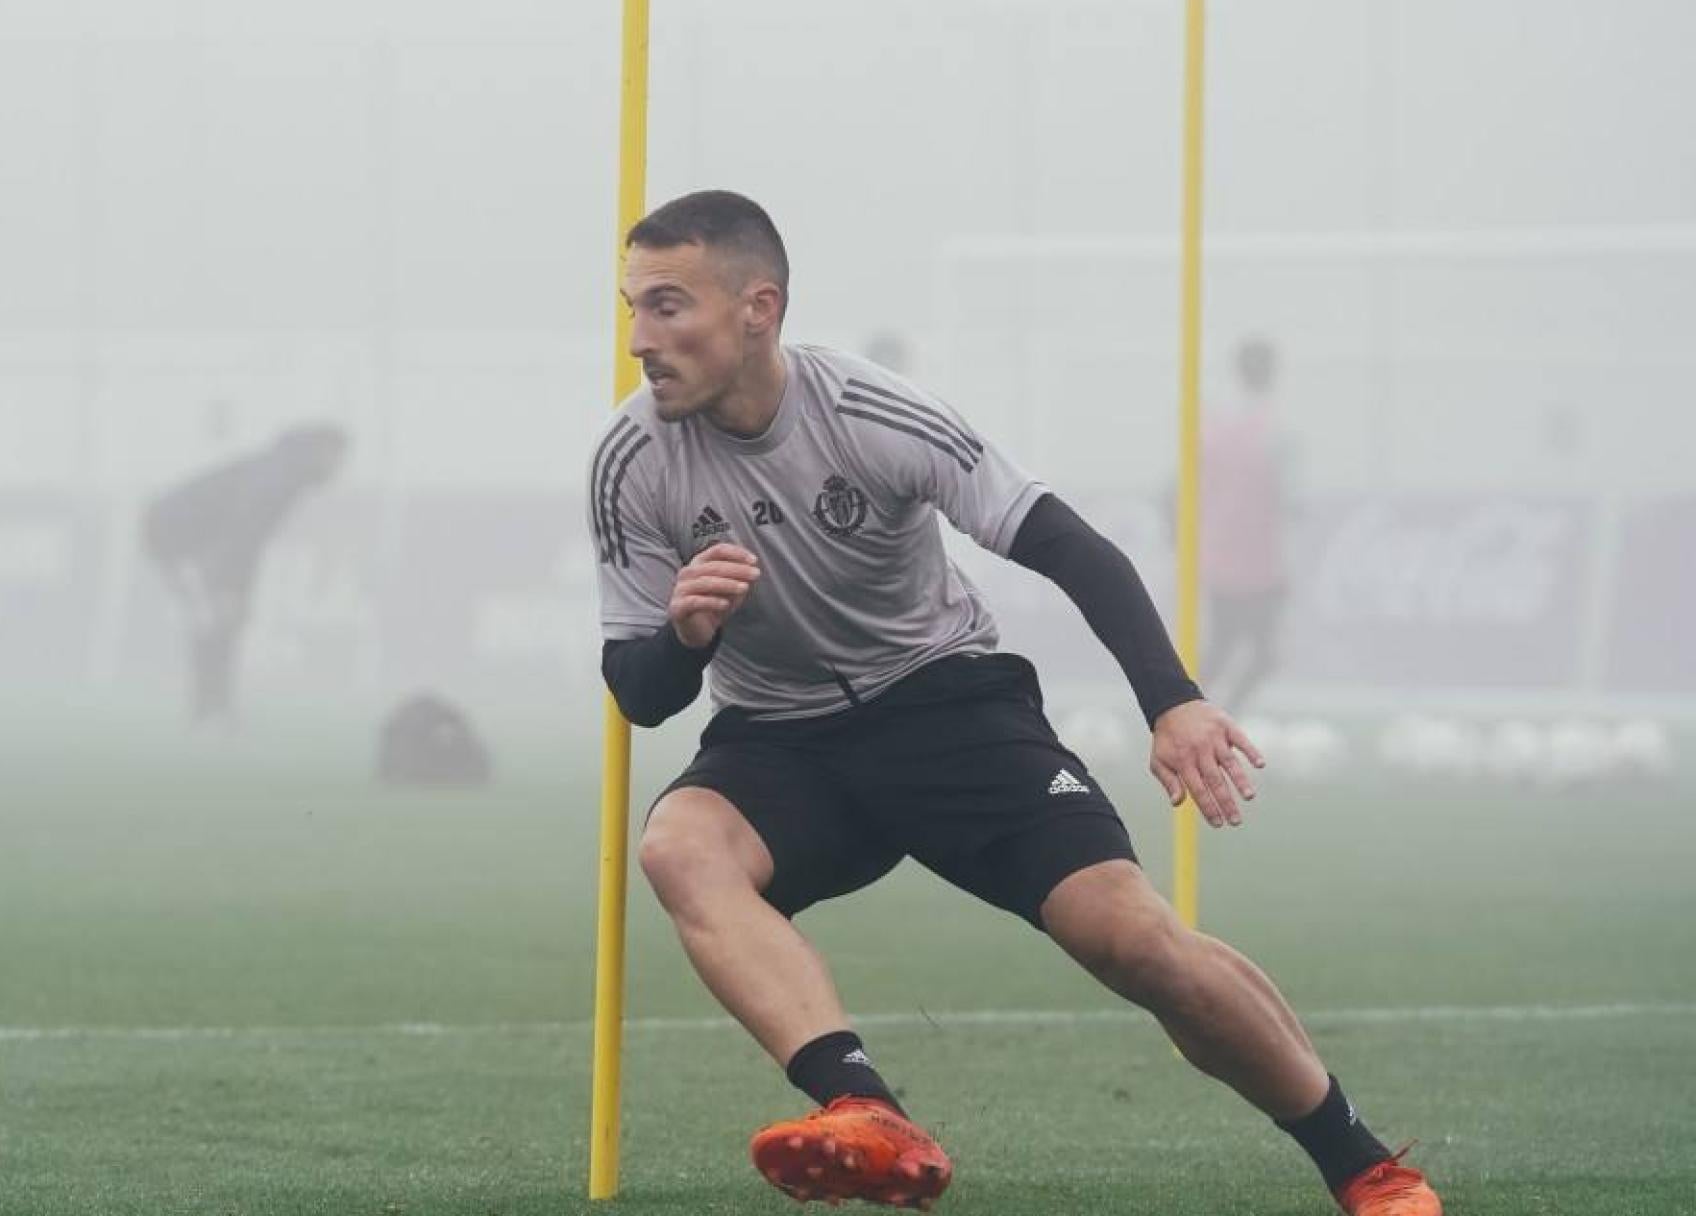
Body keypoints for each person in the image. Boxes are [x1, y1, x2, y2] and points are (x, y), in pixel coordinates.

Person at [586, 191, 1439, 1214]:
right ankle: (862, 1108)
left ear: (757, 308)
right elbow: (639, 694)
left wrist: (1172, 703)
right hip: (780, 739)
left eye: (668, 307)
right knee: (679, 843)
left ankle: (1362, 1162)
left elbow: (1069, 545)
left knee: (1130, 938)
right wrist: (684, 636)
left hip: (945, 706)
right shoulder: (631, 461)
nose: (641, 339)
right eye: (633, 308)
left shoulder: (873, 413)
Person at [143, 423, 347, 723]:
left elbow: (248, 538)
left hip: (195, 540)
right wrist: (230, 588)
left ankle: (211, 709)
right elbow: (243, 535)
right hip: (176, 537)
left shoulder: (283, 472)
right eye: (335, 456)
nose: (338, 467)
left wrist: (235, 589)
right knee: (215, 619)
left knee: (219, 620)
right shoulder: (277, 479)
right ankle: (210, 711)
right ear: (316, 451)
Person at [1200, 336, 1293, 713]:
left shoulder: (1217, 421)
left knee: (1232, 650)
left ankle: (1208, 716)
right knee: (1251, 653)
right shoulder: (1274, 426)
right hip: (1253, 558)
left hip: (1232, 553)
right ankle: (1208, 716)